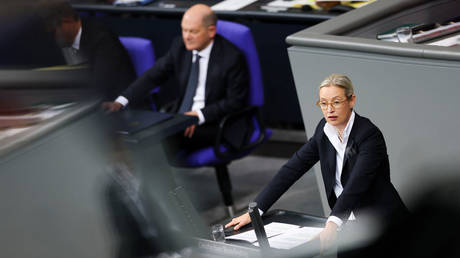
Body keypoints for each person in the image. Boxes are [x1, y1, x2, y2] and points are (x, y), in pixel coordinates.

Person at [225, 74, 408, 254]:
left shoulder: (368, 135)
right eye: (323, 103)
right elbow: (292, 168)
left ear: (351, 101)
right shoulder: (324, 130)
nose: (329, 110)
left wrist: (333, 222)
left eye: (336, 102)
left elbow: (357, 183)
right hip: (348, 224)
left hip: (380, 222)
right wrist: (256, 210)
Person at [102, 4, 249, 150]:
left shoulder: (232, 57)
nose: (186, 37)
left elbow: (235, 102)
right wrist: (121, 101)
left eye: (193, 31)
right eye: (184, 30)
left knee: (155, 142)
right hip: (181, 117)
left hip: (214, 122)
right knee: (135, 134)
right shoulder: (180, 47)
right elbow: (153, 76)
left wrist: (198, 115)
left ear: (211, 31)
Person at [41, 0, 136, 100]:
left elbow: (101, 88)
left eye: (53, 32)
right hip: (82, 102)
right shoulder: (61, 42)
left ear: (67, 21)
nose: (52, 38)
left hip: (119, 105)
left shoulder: (102, 39)